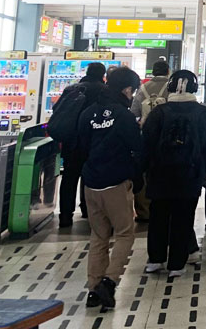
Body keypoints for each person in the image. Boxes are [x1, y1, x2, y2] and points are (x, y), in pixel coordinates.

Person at [141, 70, 206, 277]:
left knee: (158, 217)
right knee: (183, 218)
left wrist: (142, 169)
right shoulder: (202, 113)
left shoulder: (159, 112)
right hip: (190, 174)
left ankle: (155, 259)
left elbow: (146, 144)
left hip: (159, 174)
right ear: (194, 88)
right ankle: (176, 264)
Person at [76, 66, 142, 311]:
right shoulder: (123, 115)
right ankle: (109, 281)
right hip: (116, 183)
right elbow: (137, 147)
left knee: (99, 236)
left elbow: (82, 146)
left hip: (91, 183)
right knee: (124, 234)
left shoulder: (88, 113)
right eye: (132, 91)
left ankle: (93, 289)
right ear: (126, 90)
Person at [57, 62, 106, 228]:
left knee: (69, 178)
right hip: (92, 142)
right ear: (102, 74)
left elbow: (57, 109)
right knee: (88, 176)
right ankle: (86, 209)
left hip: (70, 142)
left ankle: (65, 215)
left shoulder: (71, 89)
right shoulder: (102, 90)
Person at [130, 60, 171, 223]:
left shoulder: (143, 88)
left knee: (145, 171)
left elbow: (134, 112)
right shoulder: (170, 87)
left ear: (152, 72)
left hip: (146, 135)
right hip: (166, 135)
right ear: (168, 71)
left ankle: (144, 210)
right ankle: (164, 205)